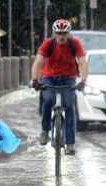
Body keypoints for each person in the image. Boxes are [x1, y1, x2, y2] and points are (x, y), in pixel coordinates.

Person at [31, 19, 88, 155]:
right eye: (58, 33)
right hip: (49, 77)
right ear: (54, 34)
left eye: (64, 33)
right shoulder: (48, 44)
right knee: (48, 100)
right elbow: (38, 63)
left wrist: (83, 80)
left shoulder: (74, 43)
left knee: (69, 106)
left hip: (68, 77)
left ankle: (70, 143)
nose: (61, 36)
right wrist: (35, 79)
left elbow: (82, 63)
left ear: (68, 33)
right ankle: (45, 130)